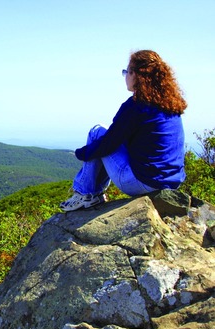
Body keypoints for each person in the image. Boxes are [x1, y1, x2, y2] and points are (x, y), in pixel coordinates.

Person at [60, 50, 188, 212]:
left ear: (137, 76)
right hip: (172, 181)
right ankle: (93, 195)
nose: (125, 76)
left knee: (97, 132)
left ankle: (85, 194)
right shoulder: (170, 104)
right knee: (105, 139)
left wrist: (81, 153)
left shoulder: (136, 105)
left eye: (127, 72)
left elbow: (108, 143)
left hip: (144, 182)